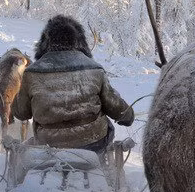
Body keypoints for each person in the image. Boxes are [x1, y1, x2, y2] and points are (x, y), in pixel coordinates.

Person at [12, 15, 134, 154]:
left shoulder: (32, 73)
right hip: (93, 143)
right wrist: (128, 116)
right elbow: (115, 106)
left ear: (44, 43)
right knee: (108, 128)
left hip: (48, 143)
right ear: (79, 42)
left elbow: (20, 113)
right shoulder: (94, 69)